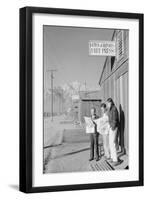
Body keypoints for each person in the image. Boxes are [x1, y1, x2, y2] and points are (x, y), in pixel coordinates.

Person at [106, 98, 122, 166]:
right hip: (111, 127)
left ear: (111, 102)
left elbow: (115, 120)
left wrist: (112, 128)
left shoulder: (114, 109)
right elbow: (109, 119)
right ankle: (112, 158)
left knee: (113, 143)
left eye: (109, 103)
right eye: (107, 103)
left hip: (114, 128)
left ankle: (115, 160)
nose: (108, 104)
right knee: (110, 143)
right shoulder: (109, 109)